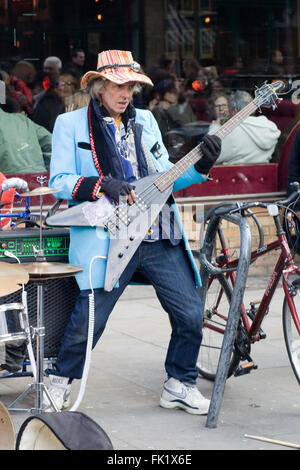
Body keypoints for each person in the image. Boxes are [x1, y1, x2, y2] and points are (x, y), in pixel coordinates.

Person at [45, 49, 221, 414]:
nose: (125, 93)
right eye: (117, 85)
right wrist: (99, 184)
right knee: (90, 317)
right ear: (98, 86)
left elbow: (166, 178)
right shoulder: (71, 124)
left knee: (190, 312)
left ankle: (179, 382)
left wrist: (202, 164)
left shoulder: (146, 121)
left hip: (158, 231)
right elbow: (59, 182)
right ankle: (59, 381)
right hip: (106, 236)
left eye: (131, 86)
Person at [208, 90, 281, 165]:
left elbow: (210, 156)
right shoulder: (270, 127)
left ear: (235, 111)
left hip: (233, 175)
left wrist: (214, 128)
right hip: (265, 175)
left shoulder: (231, 131)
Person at [0, 100, 51, 174]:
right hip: (39, 176)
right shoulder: (24, 120)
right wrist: (48, 171)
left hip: (8, 179)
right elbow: (51, 143)